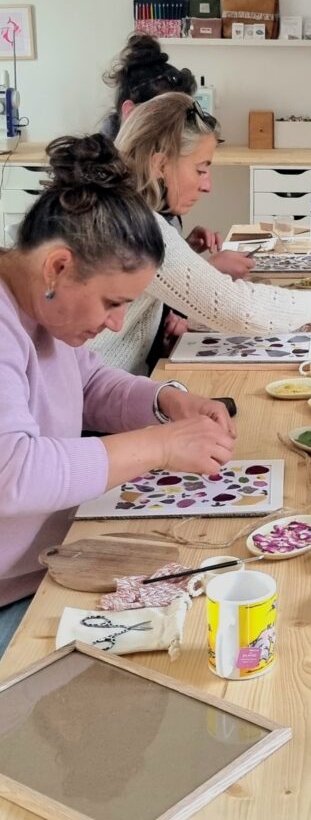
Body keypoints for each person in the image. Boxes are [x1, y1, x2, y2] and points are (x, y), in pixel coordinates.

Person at [0, 135, 236, 656]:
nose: (117, 322)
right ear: (58, 268)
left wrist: (167, 401)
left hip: (50, 564)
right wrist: (159, 446)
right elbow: (13, 473)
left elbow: (86, 383)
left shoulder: (42, 312)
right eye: (112, 302)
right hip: (13, 597)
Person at [91, 93, 311, 375]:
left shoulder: (118, 208)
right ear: (160, 165)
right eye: (201, 169)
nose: (208, 186)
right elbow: (237, 308)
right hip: (95, 404)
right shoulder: (136, 224)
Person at [100, 34, 237, 268]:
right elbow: (139, 292)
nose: (184, 129)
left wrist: (183, 249)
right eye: (171, 118)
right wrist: (210, 274)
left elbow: (154, 274)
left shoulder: (151, 189)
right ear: (132, 114)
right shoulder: (117, 207)